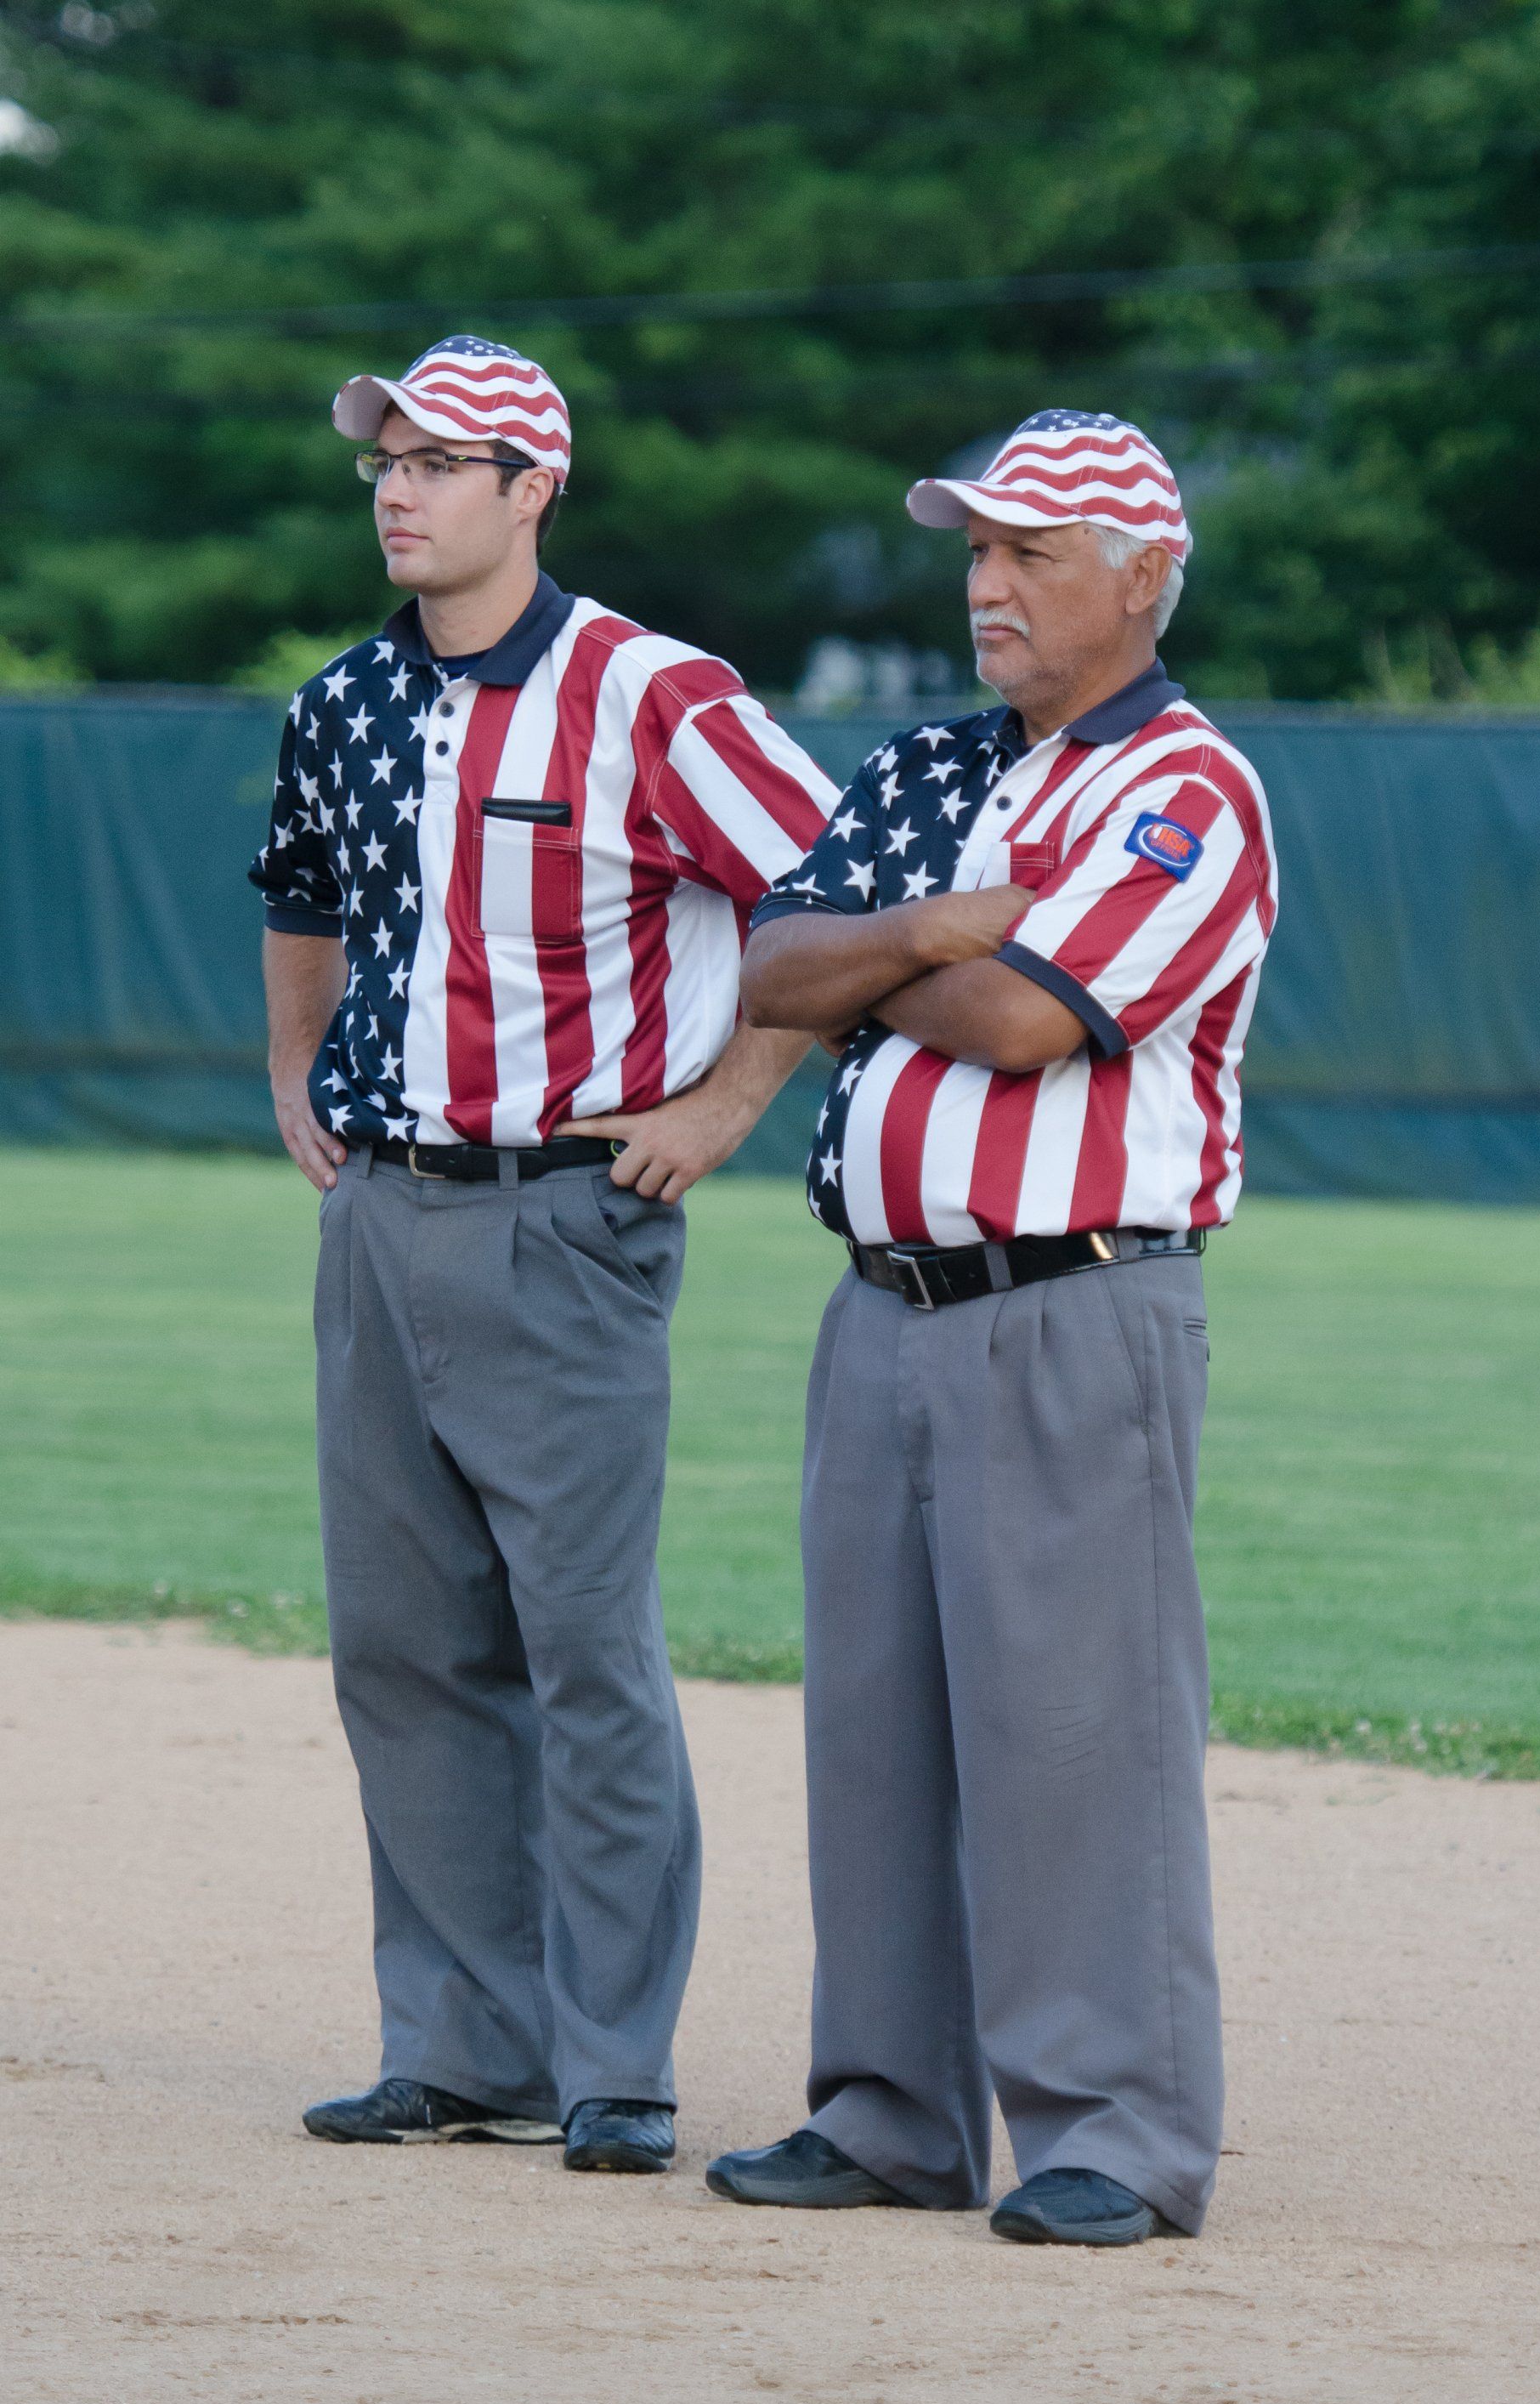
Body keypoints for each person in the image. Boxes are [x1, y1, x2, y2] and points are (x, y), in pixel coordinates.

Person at [249, 336, 834, 2174]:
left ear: (535, 490)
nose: (398, 491)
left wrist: (728, 1103)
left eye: (441, 462)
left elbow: (829, 898)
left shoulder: (653, 695)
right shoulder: (341, 702)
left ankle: (613, 2061)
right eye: (384, 463)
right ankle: (458, 2040)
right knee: (404, 1646)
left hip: (570, 1215)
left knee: (585, 1648)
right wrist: (293, 1071)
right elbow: (301, 894)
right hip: (385, 1213)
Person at [708, 411, 1277, 2243]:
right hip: (880, 1307)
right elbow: (772, 966)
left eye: (1033, 552)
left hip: (1069, 1304)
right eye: (977, 550)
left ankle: (1115, 2127)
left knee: (1078, 1733)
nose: (988, 584)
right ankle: (891, 2113)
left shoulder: (1188, 788)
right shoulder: (939, 766)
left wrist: (893, 952)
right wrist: (942, 920)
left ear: (1143, 576)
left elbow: (1034, 1025)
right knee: (876, 1728)